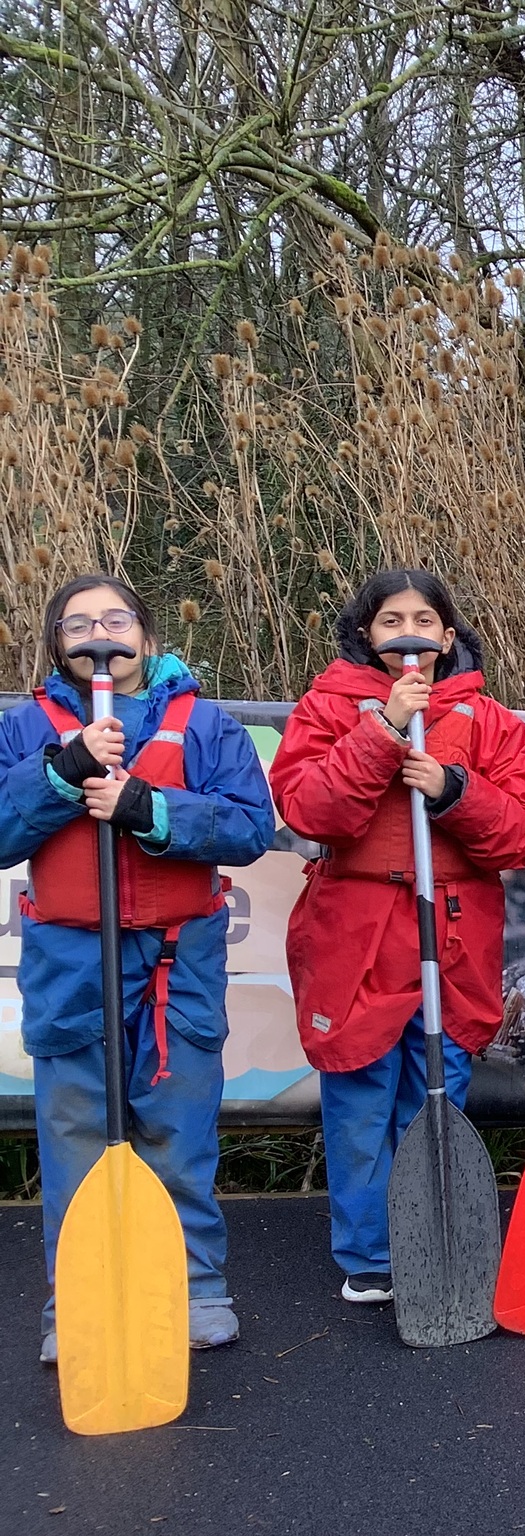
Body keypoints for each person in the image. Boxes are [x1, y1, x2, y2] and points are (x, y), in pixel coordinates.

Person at [3, 574, 273, 1363]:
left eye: (116, 619)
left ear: (146, 638)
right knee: (76, 1134)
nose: (99, 634)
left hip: (177, 963)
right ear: (58, 644)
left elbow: (250, 828)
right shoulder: (26, 728)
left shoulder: (207, 726)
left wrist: (148, 808)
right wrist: (63, 771)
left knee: (177, 1130)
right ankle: (80, 1301)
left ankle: (192, 1287)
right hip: (69, 963)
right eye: (78, 623)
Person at [270, 569, 525, 1303]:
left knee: (435, 1089)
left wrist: (454, 790)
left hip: (450, 938)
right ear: (367, 634)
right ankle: (370, 1254)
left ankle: (435, 1239)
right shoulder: (327, 709)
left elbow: (521, 835)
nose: (409, 634)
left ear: (448, 637)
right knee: (361, 1096)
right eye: (391, 621)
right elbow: (310, 811)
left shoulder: (491, 722)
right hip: (357, 936)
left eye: (424, 620)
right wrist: (383, 732)